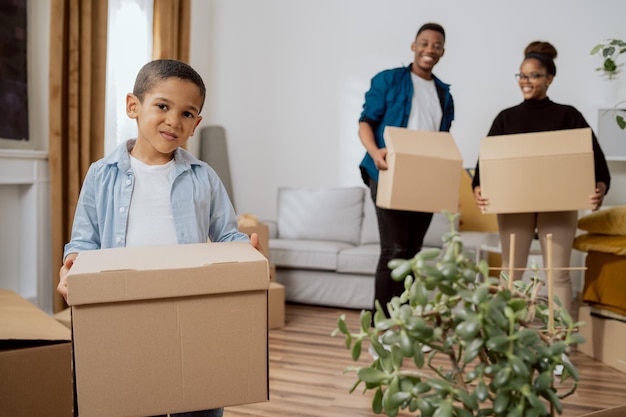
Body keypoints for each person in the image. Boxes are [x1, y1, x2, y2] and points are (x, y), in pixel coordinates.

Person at [56, 59, 261, 417]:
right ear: (134, 106)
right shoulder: (101, 175)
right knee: (127, 396)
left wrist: (247, 255)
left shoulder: (204, 177)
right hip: (122, 311)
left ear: (196, 125)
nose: (173, 120)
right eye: (163, 106)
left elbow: (227, 234)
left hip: (191, 311)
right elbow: (83, 242)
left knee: (199, 398)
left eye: (187, 113)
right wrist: (71, 265)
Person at [472, 41, 611, 316]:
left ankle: (561, 344)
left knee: (558, 275)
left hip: (558, 205)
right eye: (522, 75)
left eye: (534, 75)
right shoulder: (505, 118)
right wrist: (477, 187)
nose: (526, 81)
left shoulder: (568, 116)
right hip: (514, 204)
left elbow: (596, 163)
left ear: (550, 78)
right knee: (511, 274)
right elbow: (485, 164)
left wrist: (599, 188)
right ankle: (505, 341)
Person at [358, 22, 454, 319]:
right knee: (394, 251)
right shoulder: (388, 80)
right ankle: (382, 329)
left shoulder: (444, 94)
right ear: (414, 46)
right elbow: (365, 123)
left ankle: (405, 324)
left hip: (423, 179)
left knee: (413, 253)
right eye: (424, 43)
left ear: (442, 52)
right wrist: (376, 153)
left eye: (436, 45)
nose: (430, 49)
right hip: (387, 172)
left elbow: (443, 142)